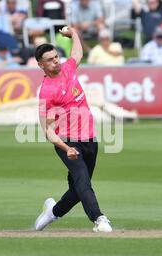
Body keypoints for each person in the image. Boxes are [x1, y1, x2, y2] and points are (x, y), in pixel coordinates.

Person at [34, 27, 112, 233]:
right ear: (41, 65)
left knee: (78, 190)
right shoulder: (47, 93)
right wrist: (65, 147)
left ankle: (52, 212)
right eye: (50, 60)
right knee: (83, 181)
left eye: (56, 56)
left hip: (90, 139)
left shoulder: (68, 69)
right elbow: (47, 130)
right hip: (68, 142)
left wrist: (74, 33)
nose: (56, 61)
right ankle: (99, 219)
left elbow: (77, 54)